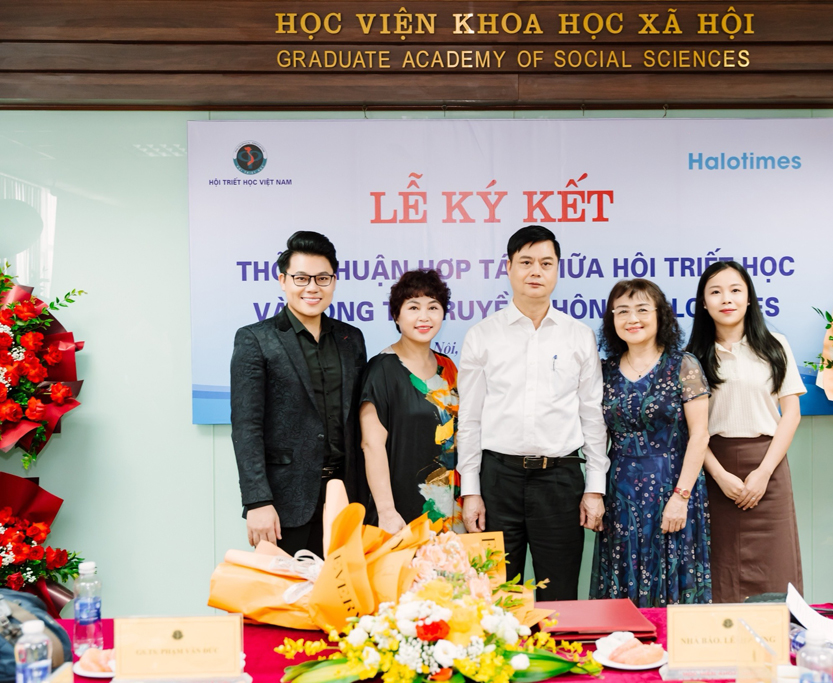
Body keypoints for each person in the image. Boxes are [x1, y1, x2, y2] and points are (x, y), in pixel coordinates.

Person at [457, 225, 608, 600]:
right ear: (508, 267)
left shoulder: (578, 335)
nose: (535, 271)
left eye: (545, 263)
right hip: (497, 482)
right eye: (525, 262)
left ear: (557, 269)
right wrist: (471, 491)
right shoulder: (482, 335)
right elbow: (470, 421)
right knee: (493, 600)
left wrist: (594, 488)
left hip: (559, 482)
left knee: (560, 600)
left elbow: (592, 417)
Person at [230, 230, 368, 557]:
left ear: (334, 281)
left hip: (346, 496)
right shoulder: (256, 339)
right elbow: (247, 427)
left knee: (345, 588)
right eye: (301, 278)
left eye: (322, 278)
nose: (312, 287)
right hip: (284, 502)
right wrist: (257, 501)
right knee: (285, 589)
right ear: (283, 280)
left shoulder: (351, 339)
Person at [686, 261, 805, 603]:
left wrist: (763, 473)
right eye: (716, 292)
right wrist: (720, 476)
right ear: (704, 303)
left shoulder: (775, 345)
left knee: (775, 567)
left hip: (768, 467)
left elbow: (791, 414)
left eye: (735, 290)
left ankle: (779, 633)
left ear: (749, 298)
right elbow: (692, 429)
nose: (727, 299)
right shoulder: (692, 357)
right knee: (718, 567)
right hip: (713, 470)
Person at [590, 279, 713, 607]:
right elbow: (597, 437)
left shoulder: (682, 365)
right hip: (620, 495)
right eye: (622, 311)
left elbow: (700, 435)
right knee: (622, 581)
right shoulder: (604, 371)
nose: (633, 319)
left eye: (642, 310)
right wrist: (595, 493)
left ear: (661, 316)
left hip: (672, 486)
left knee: (673, 581)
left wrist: (681, 497)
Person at [359, 269, 461, 534]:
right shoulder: (381, 370)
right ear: (396, 315)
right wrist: (386, 511)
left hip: (451, 507)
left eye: (433, 307)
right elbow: (372, 445)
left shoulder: (448, 367)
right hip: (401, 512)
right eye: (413, 307)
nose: (424, 317)